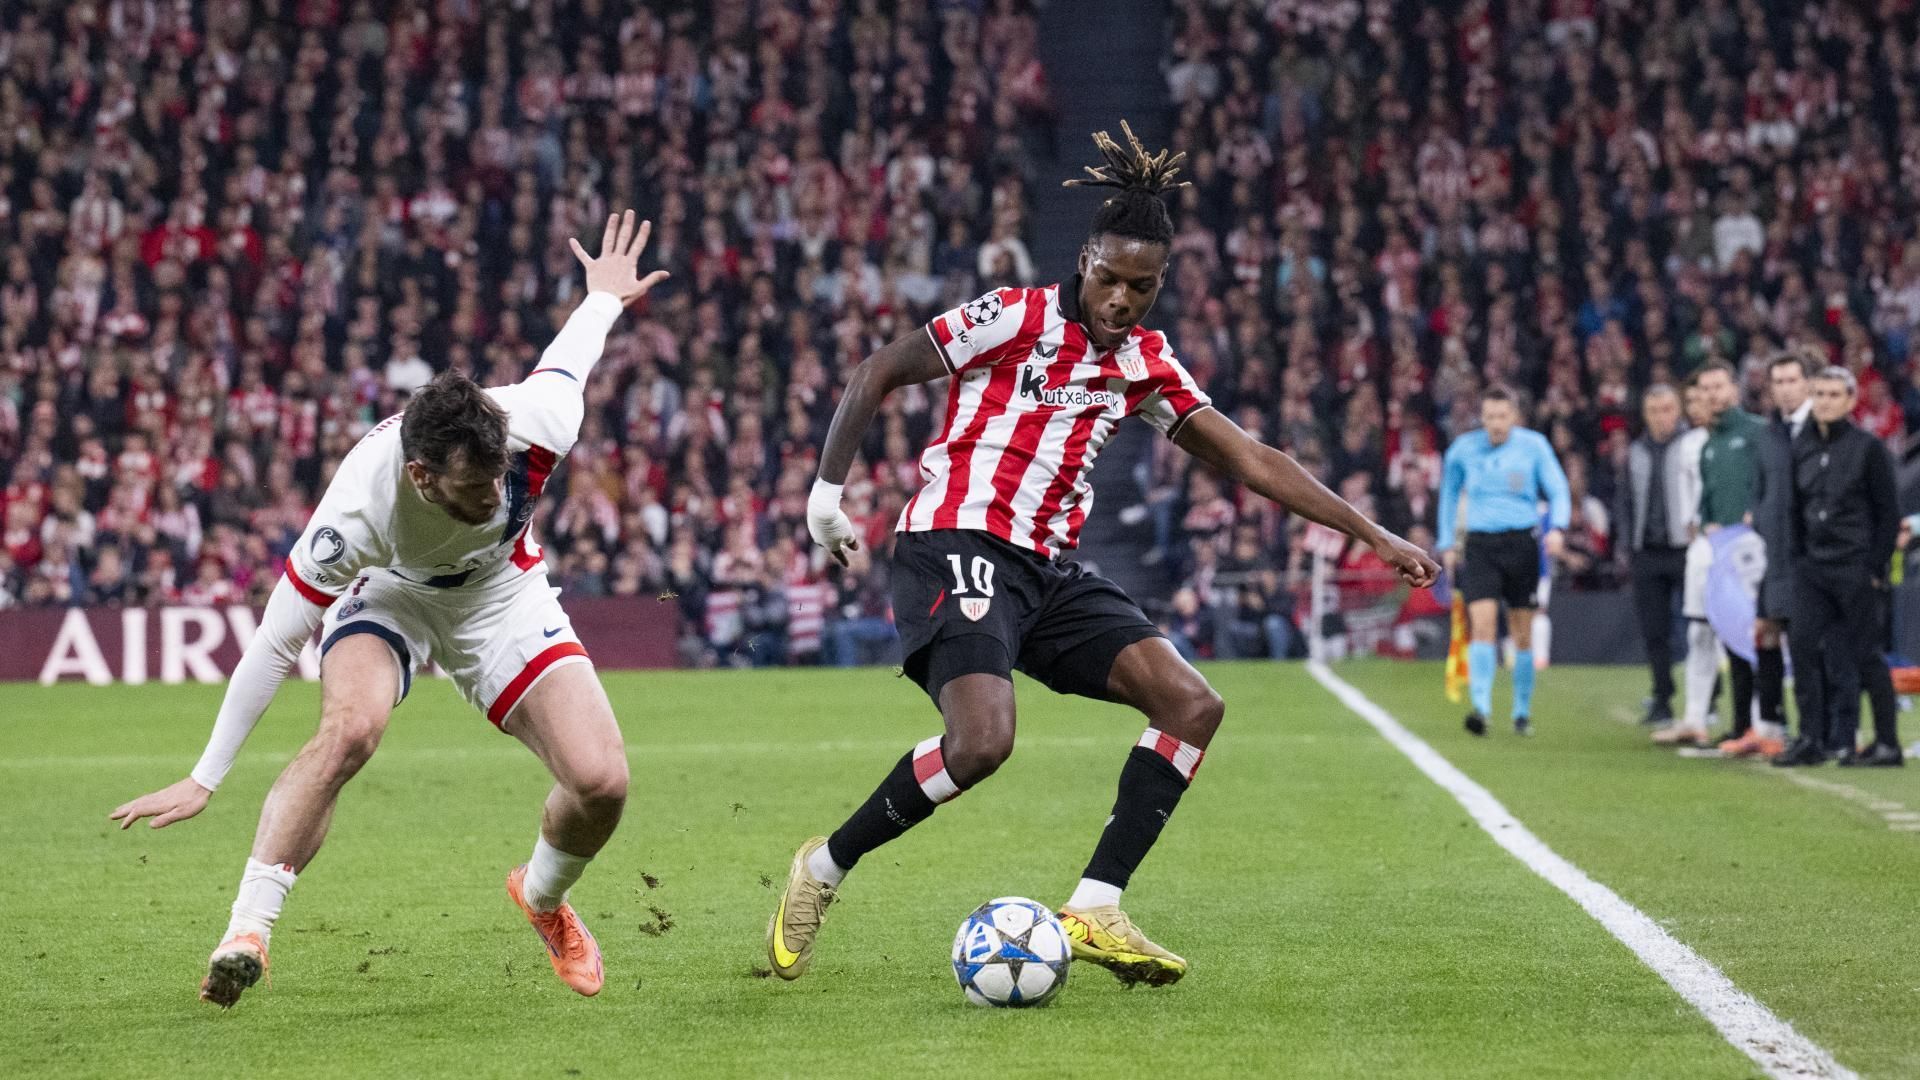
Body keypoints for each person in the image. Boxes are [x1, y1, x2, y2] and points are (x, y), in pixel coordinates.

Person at [767, 122, 1438, 988]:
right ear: (1084, 259)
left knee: (1192, 705)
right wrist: (827, 493)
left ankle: (1094, 905)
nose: (1123, 300)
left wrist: (1372, 533)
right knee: (981, 744)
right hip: (956, 541)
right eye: (1111, 278)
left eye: (1143, 287)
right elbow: (876, 373)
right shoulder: (1013, 317)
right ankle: (823, 868)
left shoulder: (1148, 365)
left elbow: (1252, 457)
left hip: (1046, 571)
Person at [107, 211, 671, 1006]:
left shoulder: (537, 425)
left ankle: (541, 897)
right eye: (474, 490)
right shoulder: (358, 508)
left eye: (500, 479)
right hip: (395, 593)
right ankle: (248, 931)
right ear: (422, 479)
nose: (493, 497)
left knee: (602, 782)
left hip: (502, 592)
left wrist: (606, 297)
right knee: (351, 730)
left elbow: (572, 352)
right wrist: (206, 776)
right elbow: (275, 641)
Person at [1773, 368, 1903, 767]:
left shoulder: (1869, 448)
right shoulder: (1801, 447)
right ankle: (1811, 737)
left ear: (1850, 400)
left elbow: (1888, 514)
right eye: (1820, 394)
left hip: (1854, 566)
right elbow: (1794, 508)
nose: (1826, 401)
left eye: (1834, 394)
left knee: (1866, 654)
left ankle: (1886, 743)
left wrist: (1873, 566)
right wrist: (1799, 558)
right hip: (1813, 567)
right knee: (1803, 649)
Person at [1436, 386, 1570, 737]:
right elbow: (1449, 495)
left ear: (1514, 416)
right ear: (1482, 417)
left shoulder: (1534, 446)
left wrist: (1557, 526)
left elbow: (1558, 488)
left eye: (1503, 416)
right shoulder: (1463, 450)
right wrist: (1446, 542)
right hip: (1480, 544)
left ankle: (1521, 711)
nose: (1496, 424)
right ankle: (1481, 707)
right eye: (1490, 416)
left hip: (1522, 542)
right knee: (1482, 624)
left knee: (1521, 631)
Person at [1657, 363, 1762, 747]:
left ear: (1734, 389)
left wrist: (1755, 517)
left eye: (1718, 387)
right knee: (1700, 629)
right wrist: (1702, 524)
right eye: (1705, 389)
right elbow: (1708, 499)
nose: (1711, 395)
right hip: (1708, 549)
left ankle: (1758, 721)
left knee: (1747, 634)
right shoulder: (1707, 443)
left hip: (1747, 551)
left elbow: (1768, 485)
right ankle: (1695, 718)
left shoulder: (1757, 433)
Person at [1727, 352, 1813, 757]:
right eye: (1777, 382)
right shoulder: (1771, 435)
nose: (1784, 389)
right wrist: (1758, 516)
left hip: (1815, 559)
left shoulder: (1822, 431)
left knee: (1815, 645)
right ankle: (1774, 723)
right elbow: (1760, 492)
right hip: (1776, 557)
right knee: (1767, 635)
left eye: (1792, 380)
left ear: (1808, 383)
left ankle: (1827, 729)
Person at [1619, 385, 1692, 726]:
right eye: (1654, 411)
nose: (1662, 417)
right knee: (1655, 631)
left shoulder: (1693, 445)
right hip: (1647, 551)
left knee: (1699, 626)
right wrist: (1626, 545)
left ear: (1678, 411)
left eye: (1667, 409)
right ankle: (1662, 697)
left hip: (1686, 550)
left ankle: (1708, 696)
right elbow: (1625, 502)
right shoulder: (1635, 452)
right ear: (1646, 415)